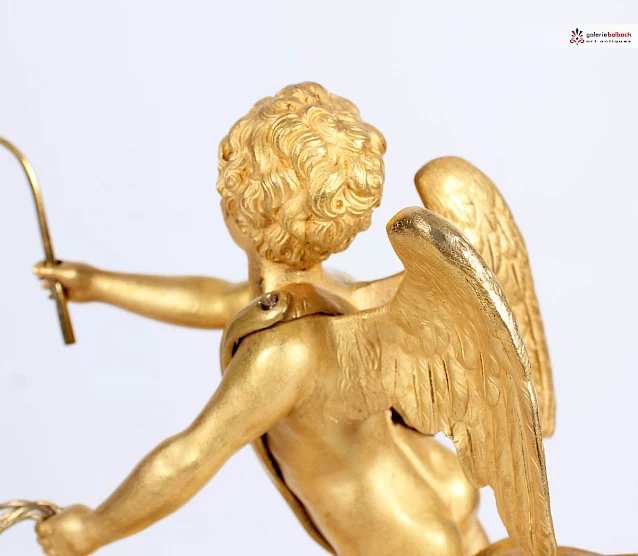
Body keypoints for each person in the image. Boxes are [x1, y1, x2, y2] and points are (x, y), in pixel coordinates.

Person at [31, 83, 522, 556]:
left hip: (391, 534)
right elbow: (216, 300)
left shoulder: (282, 353)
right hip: (434, 482)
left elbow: (190, 457)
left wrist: (89, 532)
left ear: (242, 207)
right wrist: (98, 284)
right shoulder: (335, 292)